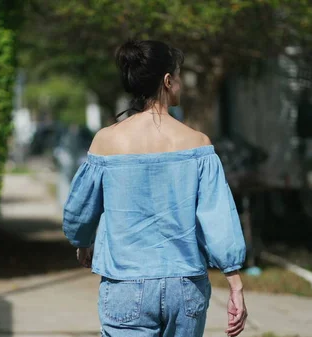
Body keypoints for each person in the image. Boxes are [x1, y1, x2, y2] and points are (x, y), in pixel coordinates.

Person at [62, 39, 248, 337]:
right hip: (186, 288)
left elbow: (79, 211)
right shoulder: (198, 144)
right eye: (179, 76)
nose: (181, 85)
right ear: (167, 81)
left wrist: (83, 242)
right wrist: (235, 283)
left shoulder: (107, 142)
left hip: (125, 286)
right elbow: (219, 220)